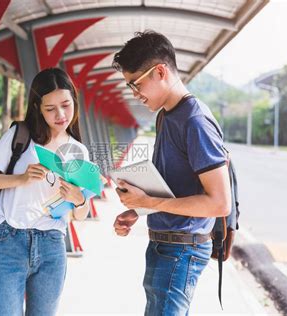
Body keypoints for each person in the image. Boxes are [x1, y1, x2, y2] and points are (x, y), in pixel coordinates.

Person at [112, 31, 232, 315]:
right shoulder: (165, 115)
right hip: (166, 245)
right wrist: (139, 210)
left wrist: (149, 203)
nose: (134, 94)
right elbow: (175, 186)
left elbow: (219, 203)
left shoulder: (195, 121)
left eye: (136, 84)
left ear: (161, 71)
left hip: (181, 251)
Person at [0, 68, 91, 315]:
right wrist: (21, 178)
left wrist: (78, 199)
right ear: (37, 107)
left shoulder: (78, 150)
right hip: (8, 240)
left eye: (66, 105)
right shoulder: (20, 136)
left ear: (74, 102)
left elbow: (80, 215)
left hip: (52, 244)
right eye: (50, 108)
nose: (60, 115)